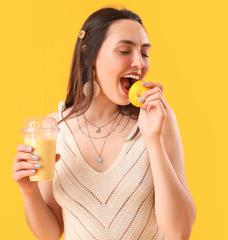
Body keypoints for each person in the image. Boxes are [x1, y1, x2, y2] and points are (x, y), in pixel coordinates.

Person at [12, 6, 196, 240]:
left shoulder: (159, 121)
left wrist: (153, 140)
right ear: (90, 57)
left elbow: (180, 232)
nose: (139, 63)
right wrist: (28, 192)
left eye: (145, 53)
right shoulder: (52, 129)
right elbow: (50, 233)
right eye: (124, 51)